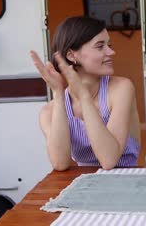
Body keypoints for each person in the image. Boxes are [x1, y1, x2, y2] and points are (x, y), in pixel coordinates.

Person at [30, 16, 140, 170]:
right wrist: (59, 95)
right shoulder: (49, 111)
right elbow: (60, 164)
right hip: (83, 183)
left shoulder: (121, 88)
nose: (111, 52)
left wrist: (84, 97)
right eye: (100, 46)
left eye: (109, 45)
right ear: (71, 55)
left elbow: (109, 160)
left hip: (126, 180)